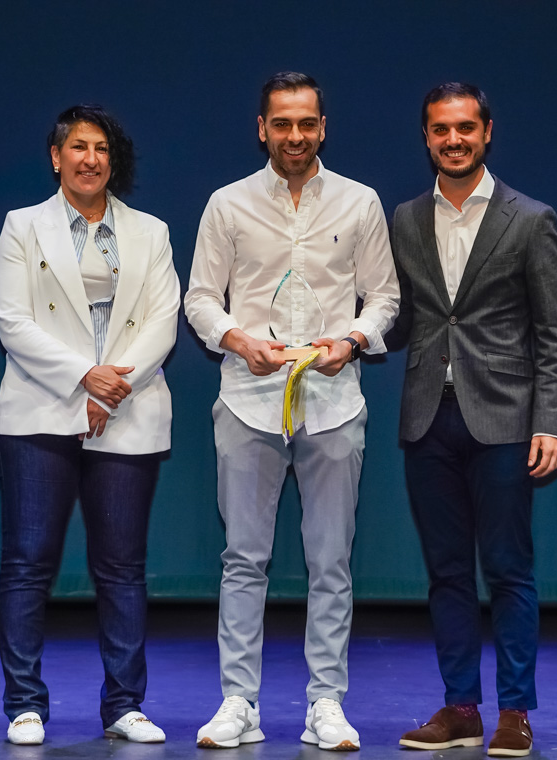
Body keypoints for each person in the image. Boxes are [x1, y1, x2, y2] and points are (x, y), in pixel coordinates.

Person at [184, 72, 399, 751]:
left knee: (330, 561)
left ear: (323, 127)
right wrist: (238, 340)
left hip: (334, 402)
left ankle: (325, 704)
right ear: (262, 128)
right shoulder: (227, 204)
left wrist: (352, 340)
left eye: (307, 123)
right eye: (283, 124)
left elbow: (384, 298)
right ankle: (238, 703)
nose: (296, 136)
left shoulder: (360, 203)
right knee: (243, 559)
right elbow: (199, 300)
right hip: (248, 403)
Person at [391, 83, 557, 758]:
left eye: (466, 128)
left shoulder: (530, 219)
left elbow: (555, 332)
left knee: (508, 570)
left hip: (505, 420)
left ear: (488, 132)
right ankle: (461, 706)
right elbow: (402, 315)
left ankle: (515, 713)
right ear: (426, 137)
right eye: (441, 129)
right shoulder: (407, 219)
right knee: (445, 572)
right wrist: (346, 336)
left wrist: (549, 422)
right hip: (427, 419)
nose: (454, 140)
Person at [0, 104, 180, 746]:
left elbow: (163, 320)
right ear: (56, 156)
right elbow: (13, 323)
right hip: (38, 414)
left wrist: (111, 386)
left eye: (101, 147)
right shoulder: (23, 226)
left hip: (128, 410)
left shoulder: (150, 232)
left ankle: (124, 705)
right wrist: (83, 378)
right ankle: (25, 704)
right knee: (27, 562)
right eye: (78, 146)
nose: (90, 158)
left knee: (122, 567)